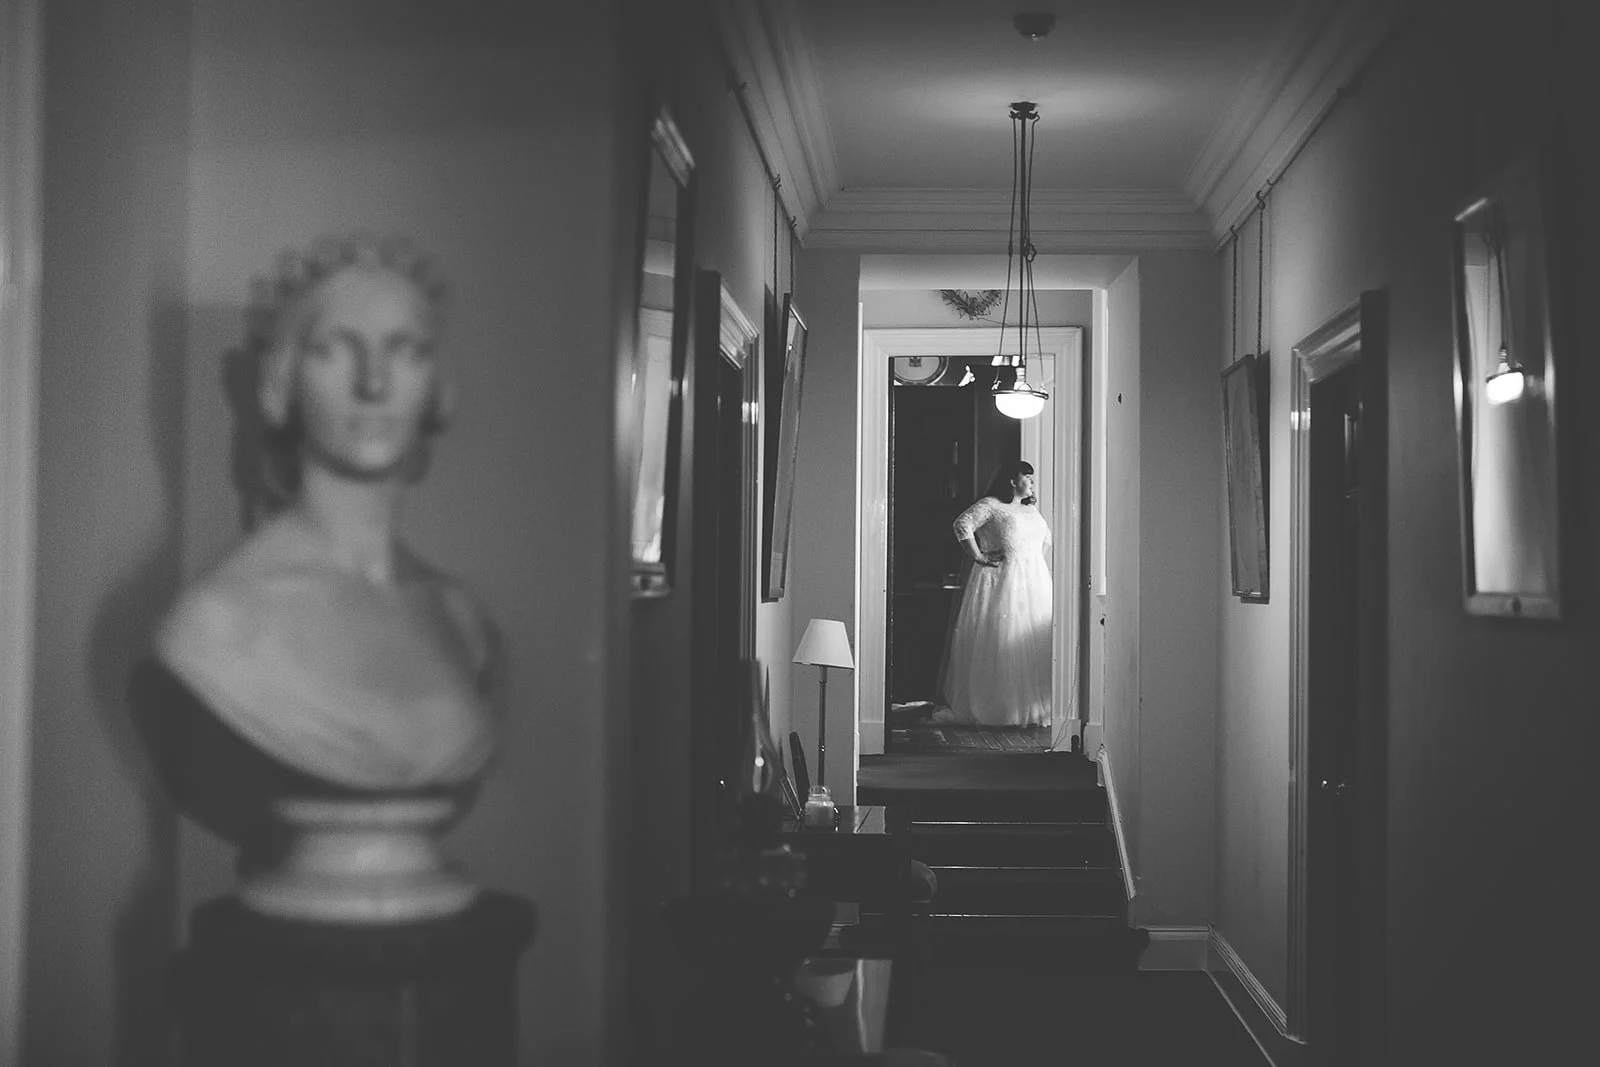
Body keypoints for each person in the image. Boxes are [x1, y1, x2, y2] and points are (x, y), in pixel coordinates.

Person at [148, 234, 504, 827]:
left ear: (437, 388)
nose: (374, 384)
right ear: (281, 380)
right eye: (334, 350)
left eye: (406, 351)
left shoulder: (460, 619)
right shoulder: (220, 622)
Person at [937, 460, 1052, 727]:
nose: (1032, 482)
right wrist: (978, 556)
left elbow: (1045, 540)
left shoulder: (1031, 510)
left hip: (1034, 582)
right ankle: (1002, 707)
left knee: (1031, 640)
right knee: (1004, 637)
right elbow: (962, 524)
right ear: (1012, 480)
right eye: (1027, 477)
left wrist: (1034, 567)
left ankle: (1031, 707)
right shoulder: (992, 505)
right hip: (1004, 581)